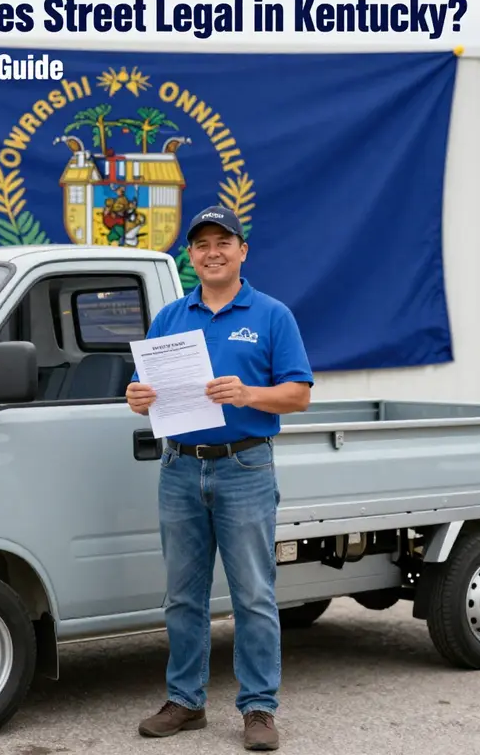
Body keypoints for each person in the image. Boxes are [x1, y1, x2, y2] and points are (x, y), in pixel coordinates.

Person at [126, 205, 313, 751]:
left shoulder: (273, 315)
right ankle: (186, 702)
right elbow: (143, 392)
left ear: (242, 251)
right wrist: (136, 398)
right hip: (179, 467)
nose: (212, 252)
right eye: (202, 244)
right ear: (191, 255)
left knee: (254, 593)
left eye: (222, 242)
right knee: (182, 596)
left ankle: (259, 709)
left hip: (244, 466)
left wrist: (249, 394)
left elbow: (299, 394)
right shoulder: (170, 318)